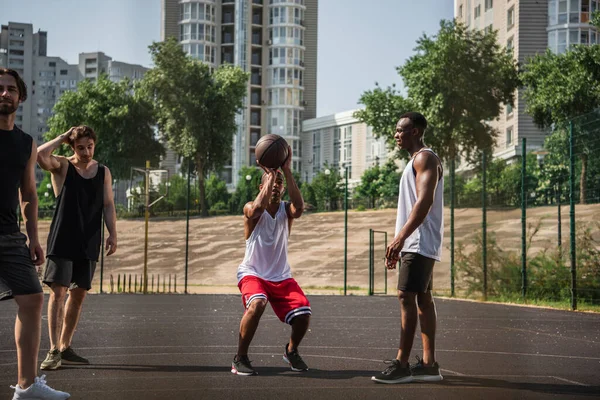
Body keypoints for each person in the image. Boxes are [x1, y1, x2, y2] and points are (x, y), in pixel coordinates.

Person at [0, 68, 70, 399]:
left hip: (8, 235)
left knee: (32, 298)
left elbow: (28, 193)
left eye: (11, 89)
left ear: (20, 97)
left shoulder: (27, 144)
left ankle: (26, 389)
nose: (4, 93)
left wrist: (34, 238)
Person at [36, 125, 117, 370]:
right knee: (58, 294)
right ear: (73, 147)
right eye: (80, 147)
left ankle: (65, 346)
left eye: (89, 146)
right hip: (62, 239)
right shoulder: (62, 166)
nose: (86, 152)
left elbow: (109, 204)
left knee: (78, 295)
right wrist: (62, 137)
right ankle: (52, 350)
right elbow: (39, 155)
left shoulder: (103, 171)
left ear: (94, 145)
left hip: (89, 241)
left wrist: (113, 233)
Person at [372, 112, 444, 384]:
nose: (396, 135)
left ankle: (401, 364)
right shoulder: (417, 161)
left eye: (400, 130)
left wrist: (400, 238)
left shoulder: (425, 158)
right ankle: (428, 364)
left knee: (405, 296)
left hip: (419, 240)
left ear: (415, 131)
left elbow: (424, 204)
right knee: (422, 299)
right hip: (418, 240)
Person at [232, 147, 311, 376]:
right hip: (253, 272)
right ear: (262, 186)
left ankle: (291, 351)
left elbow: (300, 209)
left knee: (303, 315)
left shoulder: (287, 210)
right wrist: (269, 178)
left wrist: (286, 171)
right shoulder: (250, 207)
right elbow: (256, 208)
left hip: (281, 276)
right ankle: (240, 357)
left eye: (279, 184)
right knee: (257, 304)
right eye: (271, 183)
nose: (276, 187)